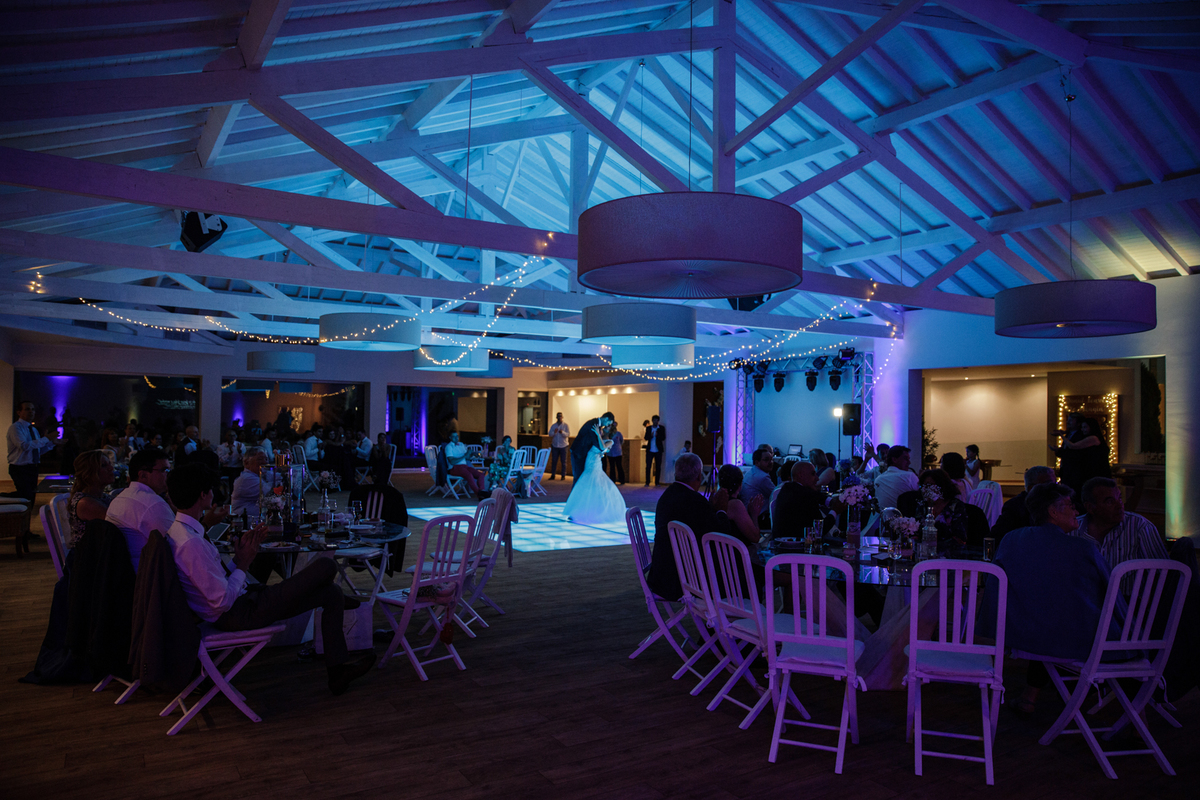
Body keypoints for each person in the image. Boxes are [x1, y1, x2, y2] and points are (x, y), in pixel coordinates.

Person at [163, 463, 375, 696]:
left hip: (243, 603)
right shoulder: (191, 543)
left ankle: (337, 673)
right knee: (327, 565)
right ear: (203, 495)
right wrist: (244, 563)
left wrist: (239, 559)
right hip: (239, 613)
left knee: (331, 594)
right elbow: (221, 601)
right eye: (211, 489)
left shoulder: (181, 532)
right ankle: (340, 599)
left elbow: (214, 582)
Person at [981, 482, 1122, 715]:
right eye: (1069, 505)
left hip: (1022, 635)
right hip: (1070, 640)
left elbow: (996, 592)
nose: (1076, 511)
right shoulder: (1082, 549)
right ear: (1053, 512)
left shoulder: (1011, 540)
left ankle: (1032, 697)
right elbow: (1111, 593)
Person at [646, 453, 736, 601]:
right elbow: (722, 534)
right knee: (734, 572)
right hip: (684, 579)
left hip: (662, 573)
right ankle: (732, 618)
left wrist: (710, 508)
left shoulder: (667, 496)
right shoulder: (695, 501)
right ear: (699, 477)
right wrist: (721, 509)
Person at [1070, 476, 1167, 593]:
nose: (1120, 505)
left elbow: (1163, 572)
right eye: (1110, 501)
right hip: (1085, 603)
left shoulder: (1140, 526)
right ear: (1090, 507)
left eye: (1120, 499)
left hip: (1129, 606)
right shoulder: (1073, 529)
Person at [106, 447, 176, 573]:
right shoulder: (152, 504)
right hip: (147, 580)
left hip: (123, 575)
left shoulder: (120, 498)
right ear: (143, 475)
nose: (169, 475)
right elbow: (178, 546)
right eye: (164, 470)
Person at [896, 468, 990, 550]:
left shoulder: (955, 507)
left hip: (950, 556)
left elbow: (959, 538)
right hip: (924, 554)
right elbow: (917, 533)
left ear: (942, 487)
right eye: (923, 486)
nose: (925, 489)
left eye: (930, 485)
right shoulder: (922, 506)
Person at [563, 419, 625, 525]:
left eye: (607, 428)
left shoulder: (610, 441)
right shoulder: (596, 438)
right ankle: (578, 511)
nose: (604, 429)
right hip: (589, 463)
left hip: (595, 465)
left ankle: (595, 512)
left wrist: (597, 433)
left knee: (595, 485)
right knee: (585, 486)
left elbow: (602, 447)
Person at [773, 461, 842, 538]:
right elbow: (820, 529)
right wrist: (835, 511)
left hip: (779, 543)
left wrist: (830, 501)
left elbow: (814, 494)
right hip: (797, 546)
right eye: (813, 474)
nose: (817, 478)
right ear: (801, 475)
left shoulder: (788, 488)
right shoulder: (806, 496)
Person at [991, 465, 1057, 541]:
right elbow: (997, 536)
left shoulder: (1057, 504)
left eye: (1055, 484)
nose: (1054, 488)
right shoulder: (1015, 507)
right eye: (1048, 484)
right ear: (1031, 488)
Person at [7, 400, 53, 504]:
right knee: (26, 495)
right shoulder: (16, 428)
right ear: (19, 412)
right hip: (20, 468)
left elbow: (36, 451)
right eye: (27, 409)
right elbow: (24, 446)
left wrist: (52, 443)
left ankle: (25, 517)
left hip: (32, 467)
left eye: (32, 409)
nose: (31, 412)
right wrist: (46, 438)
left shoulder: (33, 430)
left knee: (30, 497)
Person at [66, 450, 115, 546]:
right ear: (89, 473)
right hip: (88, 557)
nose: (111, 468)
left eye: (110, 464)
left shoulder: (101, 496)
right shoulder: (85, 503)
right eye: (104, 465)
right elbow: (120, 523)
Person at [710, 464, 763, 545]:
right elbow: (755, 537)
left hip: (718, 551)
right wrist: (754, 515)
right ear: (740, 484)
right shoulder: (735, 505)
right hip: (733, 554)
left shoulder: (714, 499)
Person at [569, 412, 614, 486]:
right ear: (606, 418)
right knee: (578, 477)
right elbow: (598, 445)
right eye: (608, 423)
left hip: (586, 456)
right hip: (579, 454)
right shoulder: (594, 424)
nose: (607, 425)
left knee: (584, 478)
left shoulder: (597, 426)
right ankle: (575, 497)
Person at [231, 447, 272, 521]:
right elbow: (270, 492)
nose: (265, 462)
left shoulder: (262, 474)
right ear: (247, 463)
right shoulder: (246, 478)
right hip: (245, 524)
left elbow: (283, 477)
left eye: (266, 459)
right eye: (260, 459)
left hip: (258, 522)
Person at [873, 445, 918, 510]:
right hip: (906, 519)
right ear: (894, 459)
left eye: (909, 459)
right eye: (905, 459)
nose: (909, 462)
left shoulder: (878, 480)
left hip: (884, 518)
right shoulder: (909, 476)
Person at [444, 431, 486, 496]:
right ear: (450, 437)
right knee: (469, 475)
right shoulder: (449, 447)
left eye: (457, 436)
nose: (456, 438)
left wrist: (473, 454)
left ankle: (482, 491)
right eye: (454, 436)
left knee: (480, 475)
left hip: (465, 466)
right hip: (454, 467)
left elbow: (467, 458)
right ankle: (479, 493)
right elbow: (452, 461)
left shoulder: (461, 444)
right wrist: (464, 456)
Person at [644, 415, 666, 487]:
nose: (655, 422)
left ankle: (657, 482)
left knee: (658, 466)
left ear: (658, 421)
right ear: (652, 421)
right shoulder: (648, 428)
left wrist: (657, 436)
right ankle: (647, 482)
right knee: (648, 466)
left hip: (658, 450)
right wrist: (651, 435)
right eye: (654, 420)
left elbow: (663, 438)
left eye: (656, 420)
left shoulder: (661, 428)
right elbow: (646, 437)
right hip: (650, 450)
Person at [549, 412, 570, 480]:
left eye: (560, 416)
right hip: (555, 445)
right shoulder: (553, 426)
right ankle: (553, 475)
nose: (559, 418)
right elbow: (550, 434)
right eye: (558, 416)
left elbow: (568, 434)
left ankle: (563, 475)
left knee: (564, 461)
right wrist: (554, 432)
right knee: (554, 461)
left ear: (562, 417)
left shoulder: (565, 425)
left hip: (563, 445)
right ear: (556, 417)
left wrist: (562, 432)